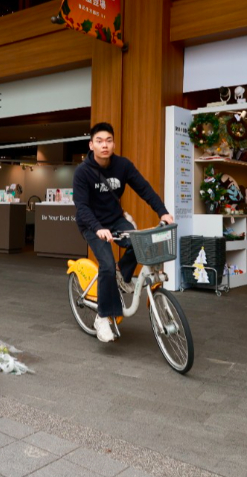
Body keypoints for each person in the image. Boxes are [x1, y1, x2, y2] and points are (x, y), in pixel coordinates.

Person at [73, 122, 174, 343]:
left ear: (114, 143)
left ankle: (123, 275)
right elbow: (81, 206)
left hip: (116, 219)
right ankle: (103, 317)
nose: (104, 145)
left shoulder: (122, 166)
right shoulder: (82, 172)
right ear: (91, 145)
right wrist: (98, 228)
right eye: (99, 141)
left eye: (108, 140)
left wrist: (163, 212)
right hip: (91, 224)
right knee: (106, 264)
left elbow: (144, 188)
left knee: (141, 245)